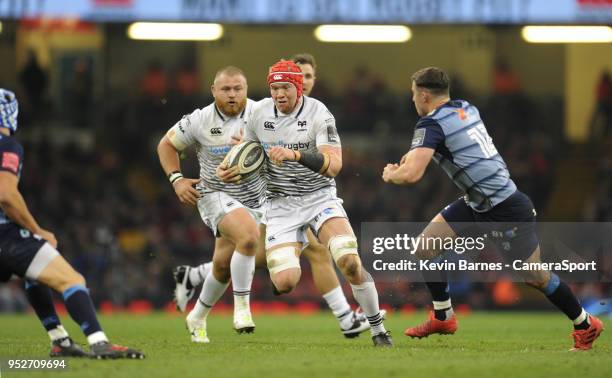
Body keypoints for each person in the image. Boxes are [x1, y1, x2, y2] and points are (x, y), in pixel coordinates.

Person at [381, 67, 604, 351]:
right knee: (427, 246)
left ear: (424, 95)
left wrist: (391, 174)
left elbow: (411, 175)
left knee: (533, 275)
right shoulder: (465, 108)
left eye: (414, 95)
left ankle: (586, 324)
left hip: (504, 208)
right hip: (478, 201)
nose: (413, 101)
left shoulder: (430, 124)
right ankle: (443, 316)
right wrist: (416, 155)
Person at [174, 54, 379, 338]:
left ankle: (346, 318)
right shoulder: (263, 111)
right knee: (239, 256)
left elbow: (332, 162)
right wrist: (240, 155)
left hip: (302, 195)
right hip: (263, 197)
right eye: (296, 79)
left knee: (305, 251)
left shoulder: (317, 113)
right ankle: (201, 284)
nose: (302, 84)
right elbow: (247, 145)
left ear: (311, 81)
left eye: (307, 78)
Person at [0, 88, 144, 359]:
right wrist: (36, 230)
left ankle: (60, 340)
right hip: (6, 235)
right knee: (71, 280)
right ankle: (99, 342)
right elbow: (6, 195)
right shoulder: (7, 145)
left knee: (35, 275)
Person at [158, 66, 263, 343]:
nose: (232, 95)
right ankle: (242, 309)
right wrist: (177, 180)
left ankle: (197, 315)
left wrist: (255, 146)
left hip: (255, 197)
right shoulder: (199, 119)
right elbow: (166, 145)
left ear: (246, 90)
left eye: (237, 89)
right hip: (214, 194)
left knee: (223, 265)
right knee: (250, 238)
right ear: (213, 91)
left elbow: (282, 148)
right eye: (225, 89)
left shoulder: (263, 114)